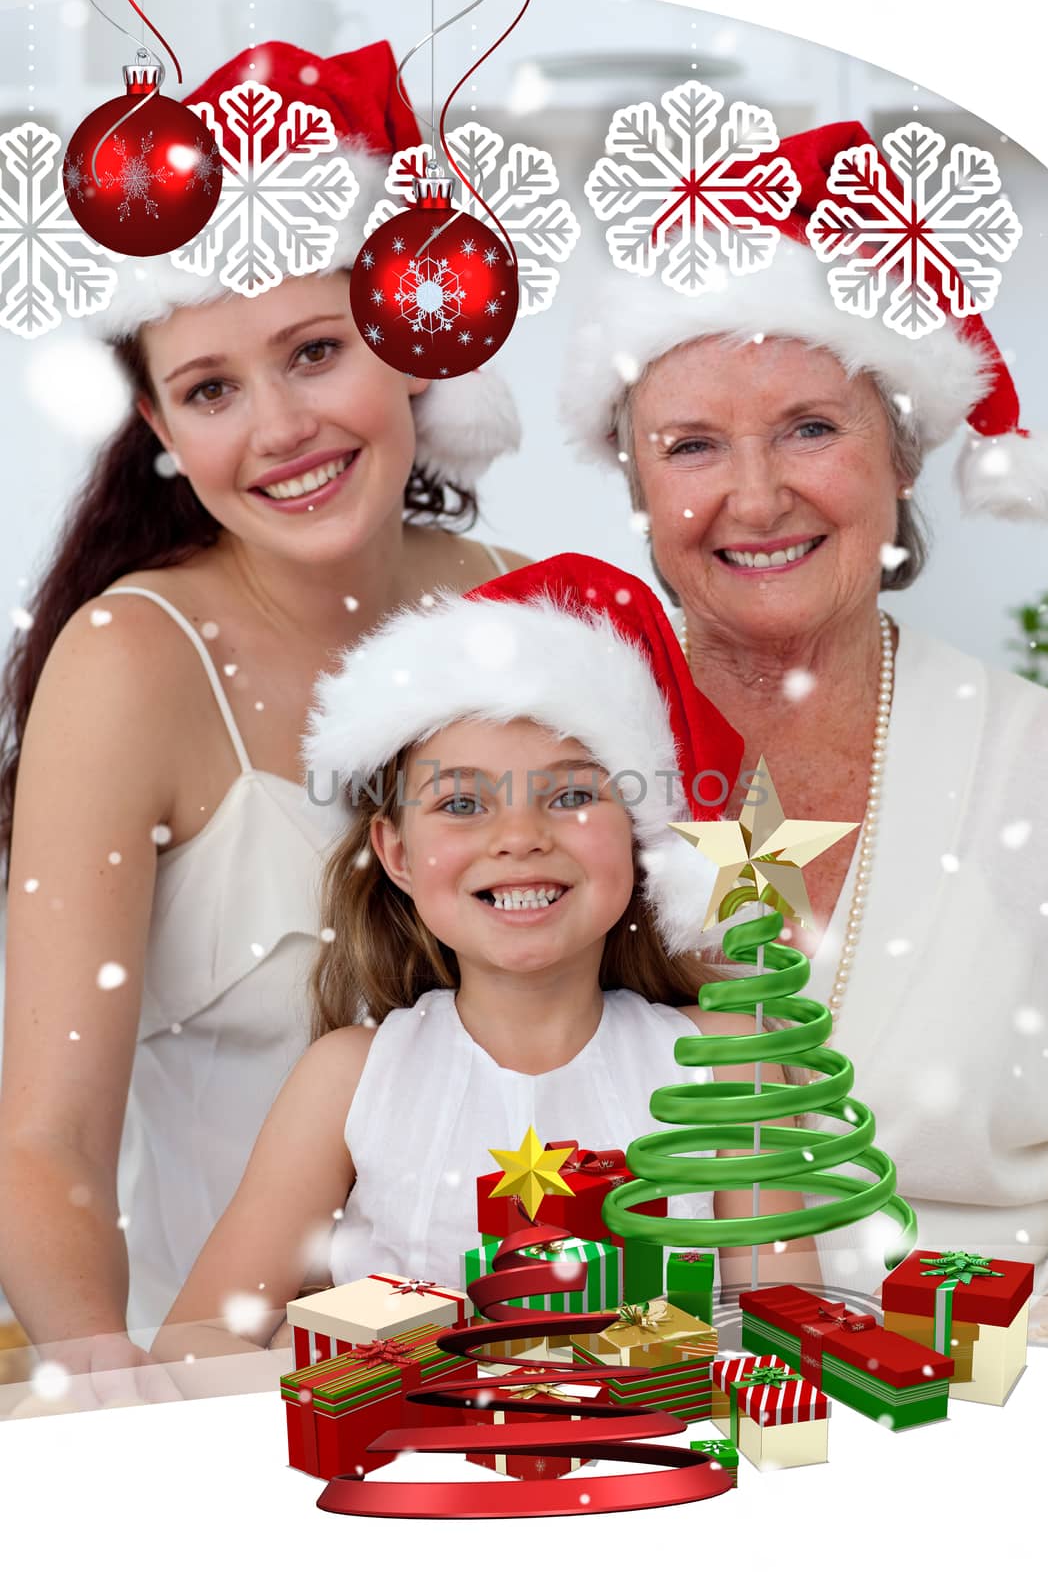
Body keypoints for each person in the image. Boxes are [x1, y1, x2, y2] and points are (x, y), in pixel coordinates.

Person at [0, 39, 529, 1390]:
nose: (280, 428)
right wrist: (124, 1412)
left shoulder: (521, 618)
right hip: (238, 1398)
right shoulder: (133, 663)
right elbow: (44, 1142)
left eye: (314, 352)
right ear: (162, 429)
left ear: (411, 347)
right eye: (213, 389)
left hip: (521, 1369)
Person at [562, 120, 1048, 1330]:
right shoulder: (555, 755)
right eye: (690, 446)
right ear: (637, 488)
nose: (754, 494)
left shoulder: (1044, 764)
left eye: (808, 426)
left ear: (900, 454)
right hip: (633, 1403)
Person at [151, 555, 824, 1368]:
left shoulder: (728, 1073)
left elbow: (784, 1358)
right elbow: (197, 1344)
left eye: (572, 795)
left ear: (641, 835)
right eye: (462, 804)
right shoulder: (349, 1078)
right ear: (395, 853)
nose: (519, 838)